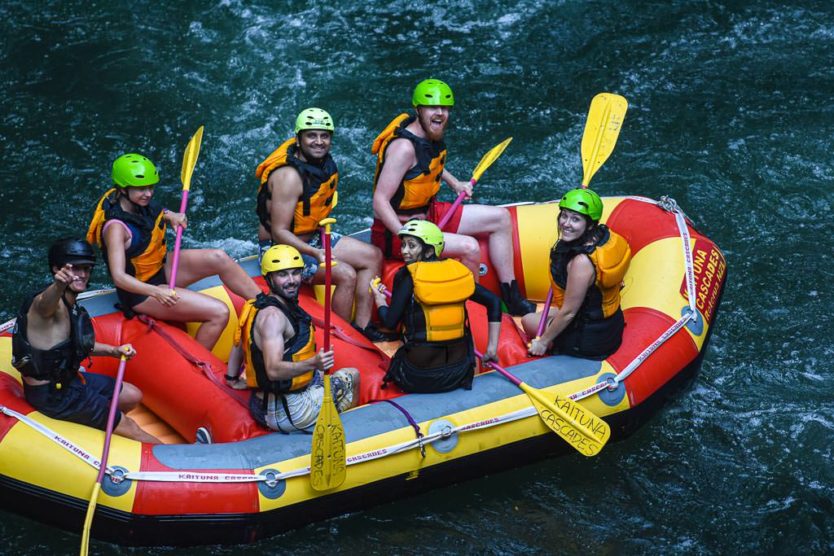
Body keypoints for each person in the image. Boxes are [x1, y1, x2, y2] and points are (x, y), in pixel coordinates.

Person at [370, 78, 536, 317]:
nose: (440, 113)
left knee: (500, 218)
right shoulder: (403, 148)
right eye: (433, 108)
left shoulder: (429, 135)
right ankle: (472, 311)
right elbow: (380, 200)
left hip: (428, 214)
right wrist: (407, 237)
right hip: (399, 230)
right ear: (418, 110)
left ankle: (513, 297)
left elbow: (428, 164)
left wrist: (455, 183)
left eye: (445, 108)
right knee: (469, 247)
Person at [87, 153, 262, 351]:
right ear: (122, 189)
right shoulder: (115, 229)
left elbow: (156, 212)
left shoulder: (139, 204)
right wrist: (157, 291)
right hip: (141, 293)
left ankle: (266, 304)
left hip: (160, 268)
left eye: (151, 187)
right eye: (141, 189)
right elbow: (119, 277)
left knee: (219, 257)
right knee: (219, 312)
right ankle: (195, 367)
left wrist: (172, 216)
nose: (148, 193)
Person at [255, 108, 393, 342]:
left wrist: (315, 246)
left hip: (313, 238)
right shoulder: (288, 177)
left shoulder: (322, 164)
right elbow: (278, 232)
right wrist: (313, 252)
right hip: (281, 249)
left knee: (373, 255)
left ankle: (362, 327)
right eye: (311, 136)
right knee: (346, 274)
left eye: (324, 136)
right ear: (298, 139)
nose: (319, 142)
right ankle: (341, 339)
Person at [11, 238, 159, 443]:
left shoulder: (71, 301)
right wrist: (58, 284)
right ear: (56, 269)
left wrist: (113, 351)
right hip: (54, 395)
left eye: (86, 269)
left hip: (69, 381)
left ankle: (98, 428)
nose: (82, 275)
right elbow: (44, 305)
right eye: (74, 269)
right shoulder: (46, 304)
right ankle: (184, 463)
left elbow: (75, 346)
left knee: (131, 395)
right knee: (130, 427)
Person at [236, 244, 360, 433]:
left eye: (295, 273)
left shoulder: (258, 304)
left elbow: (238, 345)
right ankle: (346, 433)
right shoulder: (273, 318)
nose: (292, 280)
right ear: (269, 278)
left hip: (264, 401)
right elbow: (273, 371)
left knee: (319, 378)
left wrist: (231, 377)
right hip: (287, 411)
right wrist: (313, 363)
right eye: (283, 275)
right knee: (352, 376)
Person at [370, 220, 502, 393]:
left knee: (400, 353)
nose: (404, 251)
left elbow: (390, 322)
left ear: (429, 250)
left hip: (418, 377)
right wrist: (491, 348)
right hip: (459, 374)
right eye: (403, 245)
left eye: (412, 246)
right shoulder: (457, 272)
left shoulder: (407, 275)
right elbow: (494, 301)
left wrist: (379, 299)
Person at [523, 189, 631, 359]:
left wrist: (542, 342)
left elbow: (568, 313)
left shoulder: (582, 262)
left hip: (588, 339)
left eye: (575, 219)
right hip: (610, 323)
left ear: (589, 224)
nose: (566, 224)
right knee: (547, 313)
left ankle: (555, 346)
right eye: (564, 216)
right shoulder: (606, 238)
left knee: (528, 320)